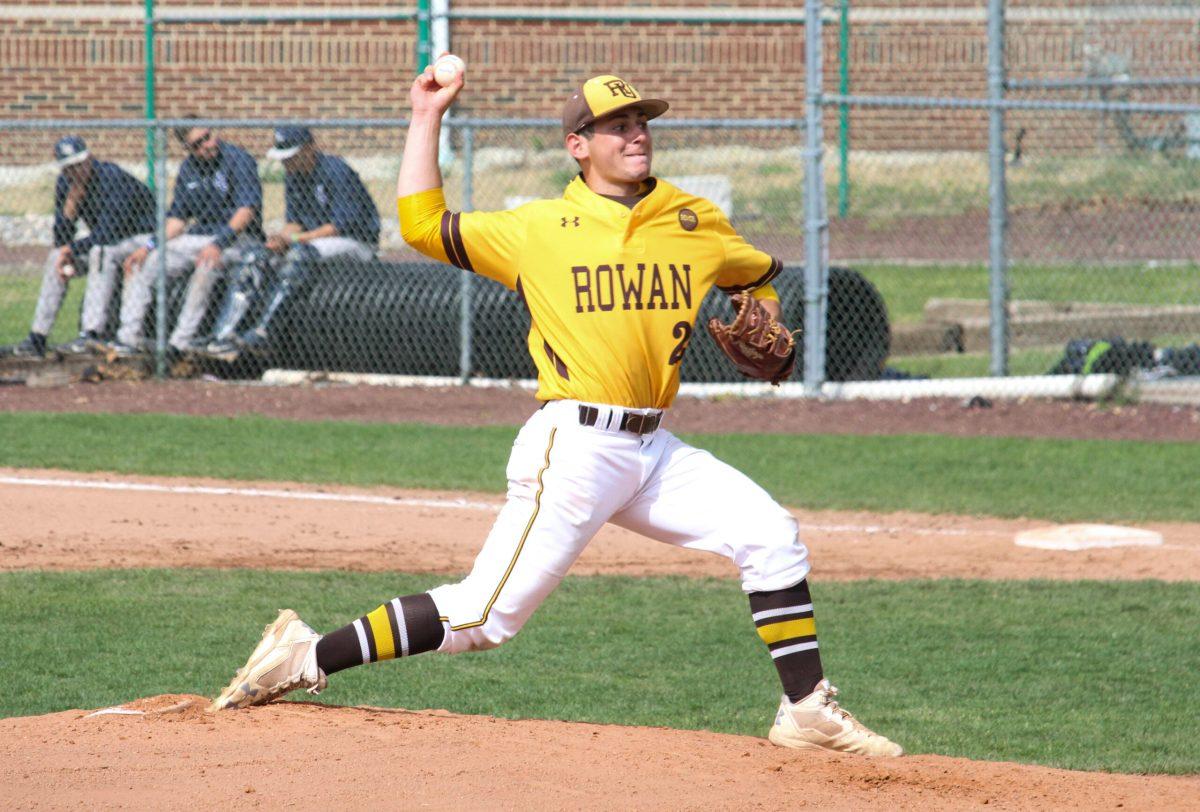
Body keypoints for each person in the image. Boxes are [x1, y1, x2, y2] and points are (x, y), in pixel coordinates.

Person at [211, 72, 903, 758]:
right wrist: (426, 115)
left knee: (770, 535)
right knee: (485, 616)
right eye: (618, 125)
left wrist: (771, 322)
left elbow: (755, 277)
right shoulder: (537, 229)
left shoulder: (694, 220)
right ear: (578, 144)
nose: (637, 134)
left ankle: (806, 711)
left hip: (655, 450)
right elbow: (422, 226)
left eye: (642, 122)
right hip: (575, 446)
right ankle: (305, 656)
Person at [200, 126, 380, 362]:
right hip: (314, 242)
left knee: (299, 254)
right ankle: (223, 334)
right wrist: (280, 239)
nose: (287, 163)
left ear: (308, 149)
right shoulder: (294, 176)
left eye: (291, 157)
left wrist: (293, 240)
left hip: (356, 242)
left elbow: (338, 226)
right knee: (256, 255)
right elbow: (295, 222)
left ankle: (265, 331)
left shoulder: (336, 170)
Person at [108, 119, 264, 357]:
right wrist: (149, 247)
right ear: (188, 148)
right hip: (198, 238)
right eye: (198, 143)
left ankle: (179, 344)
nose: (208, 144)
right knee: (146, 263)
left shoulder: (238, 159)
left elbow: (246, 212)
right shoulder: (189, 169)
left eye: (208, 136)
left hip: (238, 240)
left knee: (206, 265)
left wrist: (218, 244)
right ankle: (128, 339)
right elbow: (177, 220)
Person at [1, 136, 154, 358]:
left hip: (141, 239)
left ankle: (91, 333)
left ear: (89, 158)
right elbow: (61, 238)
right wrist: (70, 208)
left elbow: (111, 231)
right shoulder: (66, 184)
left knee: (100, 252)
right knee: (56, 258)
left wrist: (71, 249)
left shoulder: (112, 177)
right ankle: (38, 337)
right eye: (69, 167)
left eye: (79, 163)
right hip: (106, 242)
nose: (76, 170)